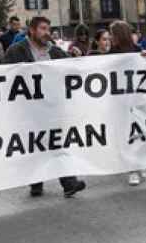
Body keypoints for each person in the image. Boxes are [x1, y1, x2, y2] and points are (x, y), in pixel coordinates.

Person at [5, 16, 87, 198]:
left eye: (48, 29)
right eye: (42, 28)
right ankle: (36, 181)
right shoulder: (16, 51)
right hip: (29, 108)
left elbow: (72, 71)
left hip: (53, 107)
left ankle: (69, 183)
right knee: (36, 144)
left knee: (56, 142)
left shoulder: (56, 52)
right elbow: (7, 77)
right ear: (32, 30)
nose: (46, 33)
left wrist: (77, 58)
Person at [109, 21, 146, 187]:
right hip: (120, 102)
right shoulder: (111, 54)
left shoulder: (138, 51)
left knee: (143, 133)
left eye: (113, 34)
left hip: (138, 100)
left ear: (119, 35)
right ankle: (132, 169)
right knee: (126, 135)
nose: (111, 38)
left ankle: (140, 164)